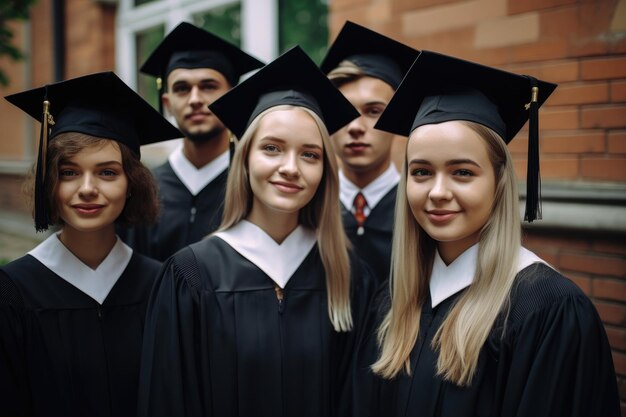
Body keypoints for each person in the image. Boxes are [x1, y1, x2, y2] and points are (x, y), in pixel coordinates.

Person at [352, 51, 620, 416]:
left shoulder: (546, 309)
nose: (437, 192)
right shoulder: (394, 299)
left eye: (462, 172)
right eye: (421, 172)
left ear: (498, 183)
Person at [137, 46, 375, 417]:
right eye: (272, 148)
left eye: (310, 154)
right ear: (244, 158)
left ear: (326, 170)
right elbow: (168, 398)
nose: (291, 167)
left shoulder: (348, 277)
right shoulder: (191, 274)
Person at [0, 72, 181, 417]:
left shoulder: (162, 286)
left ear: (132, 184)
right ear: (49, 182)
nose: (87, 188)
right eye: (69, 172)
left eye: (107, 172)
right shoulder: (13, 292)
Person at [120, 22, 264, 261]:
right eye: (182, 89)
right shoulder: (141, 191)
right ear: (167, 104)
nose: (195, 99)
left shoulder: (254, 186)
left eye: (208, 86)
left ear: (234, 98)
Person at [320, 21, 418, 283]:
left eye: (374, 111)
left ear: (397, 117)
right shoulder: (309, 207)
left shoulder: (422, 209)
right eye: (344, 111)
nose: (355, 127)